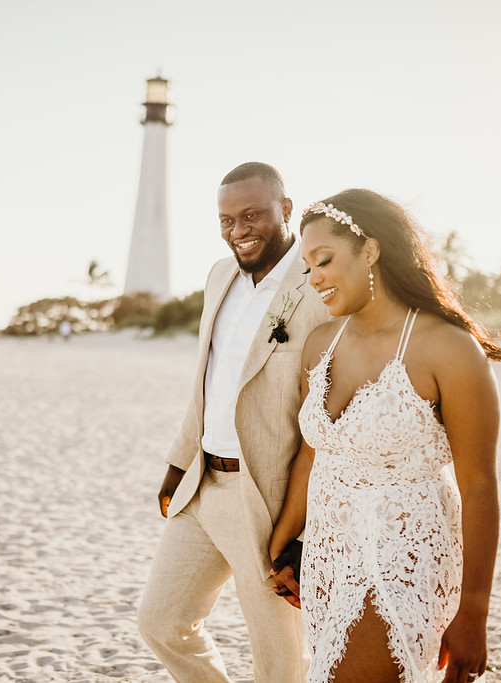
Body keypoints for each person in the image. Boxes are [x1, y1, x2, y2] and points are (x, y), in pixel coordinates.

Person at [269, 189, 501, 683]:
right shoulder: (321, 343)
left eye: (323, 259)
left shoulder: (447, 348)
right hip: (328, 556)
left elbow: (478, 485)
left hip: (404, 557)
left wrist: (473, 612)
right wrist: (281, 544)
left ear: (371, 249)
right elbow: (313, 454)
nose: (314, 276)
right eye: (307, 267)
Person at [137, 162, 330, 682]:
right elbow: (207, 380)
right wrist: (178, 463)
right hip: (202, 484)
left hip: (264, 498)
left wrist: (304, 522)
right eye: (226, 219)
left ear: (286, 210)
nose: (238, 231)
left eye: (251, 215)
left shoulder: (319, 287)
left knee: (280, 660)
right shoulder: (219, 277)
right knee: (162, 621)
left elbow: (326, 414)